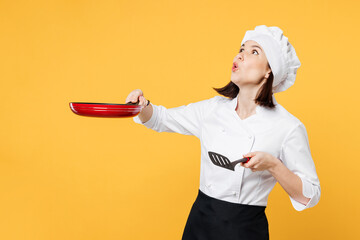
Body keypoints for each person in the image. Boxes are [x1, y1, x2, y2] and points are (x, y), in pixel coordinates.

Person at [126, 25, 321, 240]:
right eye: (241, 49)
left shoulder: (287, 127)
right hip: (200, 224)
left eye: (254, 51)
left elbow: (309, 195)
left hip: (245, 230)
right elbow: (160, 118)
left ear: (269, 70)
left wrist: (273, 165)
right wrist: (140, 106)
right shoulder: (212, 109)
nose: (241, 55)